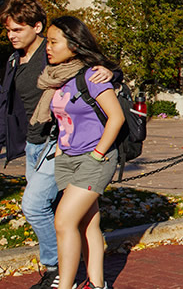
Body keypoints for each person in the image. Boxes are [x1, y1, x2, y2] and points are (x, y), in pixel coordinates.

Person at [0, 0, 111, 289]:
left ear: (37, 27)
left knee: (34, 204)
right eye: (8, 30)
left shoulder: (52, 51)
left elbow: (91, 66)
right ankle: (91, 277)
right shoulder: (15, 60)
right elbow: (5, 103)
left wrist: (111, 71)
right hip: (31, 144)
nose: (10, 35)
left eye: (17, 29)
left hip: (60, 144)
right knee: (77, 217)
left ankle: (55, 269)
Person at [44, 16, 122, 289]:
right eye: (47, 42)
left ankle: (66, 286)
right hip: (67, 158)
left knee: (63, 220)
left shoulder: (93, 75)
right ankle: (97, 284)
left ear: (74, 44)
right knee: (87, 223)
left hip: (94, 158)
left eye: (54, 42)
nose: (48, 48)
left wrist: (98, 154)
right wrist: (58, 150)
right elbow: (63, 119)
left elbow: (116, 117)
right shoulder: (57, 77)